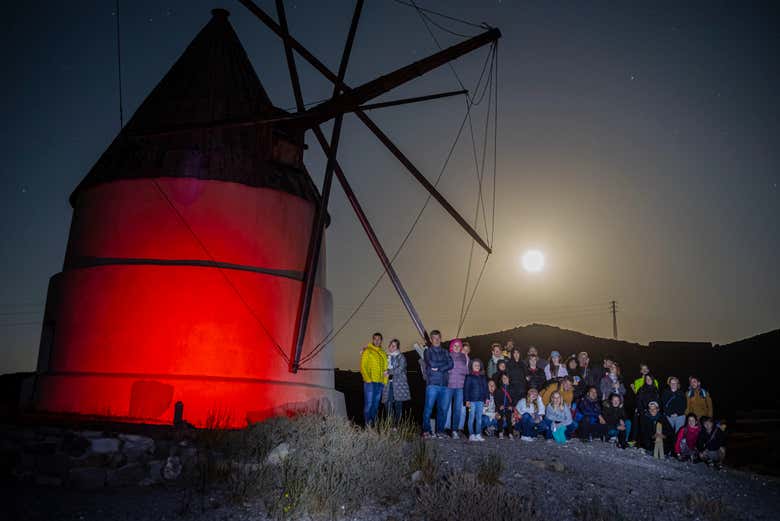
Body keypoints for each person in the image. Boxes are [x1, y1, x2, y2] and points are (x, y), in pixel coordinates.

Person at [421, 330, 454, 438]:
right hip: (432, 384)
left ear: (441, 338)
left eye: (438, 338)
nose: (436, 340)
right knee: (428, 408)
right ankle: (426, 430)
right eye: (434, 338)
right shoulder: (428, 351)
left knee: (443, 409)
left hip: (445, 384)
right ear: (431, 340)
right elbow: (431, 363)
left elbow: (451, 364)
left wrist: (439, 368)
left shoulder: (445, 351)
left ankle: (440, 431)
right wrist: (444, 365)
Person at [360, 333, 387, 427]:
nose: (377, 341)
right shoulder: (367, 350)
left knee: (375, 405)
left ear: (381, 340)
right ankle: (367, 425)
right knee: (369, 404)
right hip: (370, 382)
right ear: (372, 340)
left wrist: (384, 382)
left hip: (380, 383)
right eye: (375, 339)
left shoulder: (383, 353)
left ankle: (373, 425)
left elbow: (385, 368)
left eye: (379, 339)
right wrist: (367, 379)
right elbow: (363, 366)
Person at [381, 338, 410, 425]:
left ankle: (397, 425)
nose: (392, 347)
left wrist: (389, 371)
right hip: (387, 385)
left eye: (394, 346)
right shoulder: (385, 357)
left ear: (397, 348)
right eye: (391, 345)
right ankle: (391, 424)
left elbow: (400, 369)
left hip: (398, 384)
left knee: (398, 404)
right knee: (388, 404)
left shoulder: (401, 357)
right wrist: (366, 350)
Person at [445, 338, 468, 439]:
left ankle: (454, 430)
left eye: (459, 346)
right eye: (455, 345)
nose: (457, 347)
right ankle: (441, 429)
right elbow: (445, 369)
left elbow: (466, 371)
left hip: (460, 386)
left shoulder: (464, 357)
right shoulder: (447, 355)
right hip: (448, 385)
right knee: (445, 407)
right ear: (451, 346)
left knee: (457, 409)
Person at [463, 358, 488, 442]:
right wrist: (467, 400)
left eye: (478, 365)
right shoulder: (469, 377)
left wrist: (487, 398)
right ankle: (471, 434)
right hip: (472, 401)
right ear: (471, 367)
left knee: (479, 418)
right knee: (471, 417)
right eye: (475, 365)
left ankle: (478, 434)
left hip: (480, 400)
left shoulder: (483, 377)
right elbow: (466, 389)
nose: (477, 366)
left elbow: (486, 388)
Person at [634, 374, 660, 446]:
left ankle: (654, 443)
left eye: (650, 379)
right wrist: (643, 411)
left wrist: (657, 409)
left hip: (654, 412)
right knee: (645, 429)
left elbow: (658, 401)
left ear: (652, 380)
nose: (648, 380)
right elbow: (638, 401)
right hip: (644, 412)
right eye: (647, 379)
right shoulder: (641, 389)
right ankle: (646, 444)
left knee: (655, 428)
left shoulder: (656, 389)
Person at [497, 373, 514, 439]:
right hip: (501, 407)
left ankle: (510, 433)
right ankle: (500, 432)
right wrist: (499, 406)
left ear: (509, 379)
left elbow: (514, 399)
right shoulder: (499, 389)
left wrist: (511, 406)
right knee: (500, 419)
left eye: (506, 378)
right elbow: (497, 399)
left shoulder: (512, 388)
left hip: (508, 407)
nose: (505, 379)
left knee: (509, 420)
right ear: (501, 379)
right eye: (503, 378)